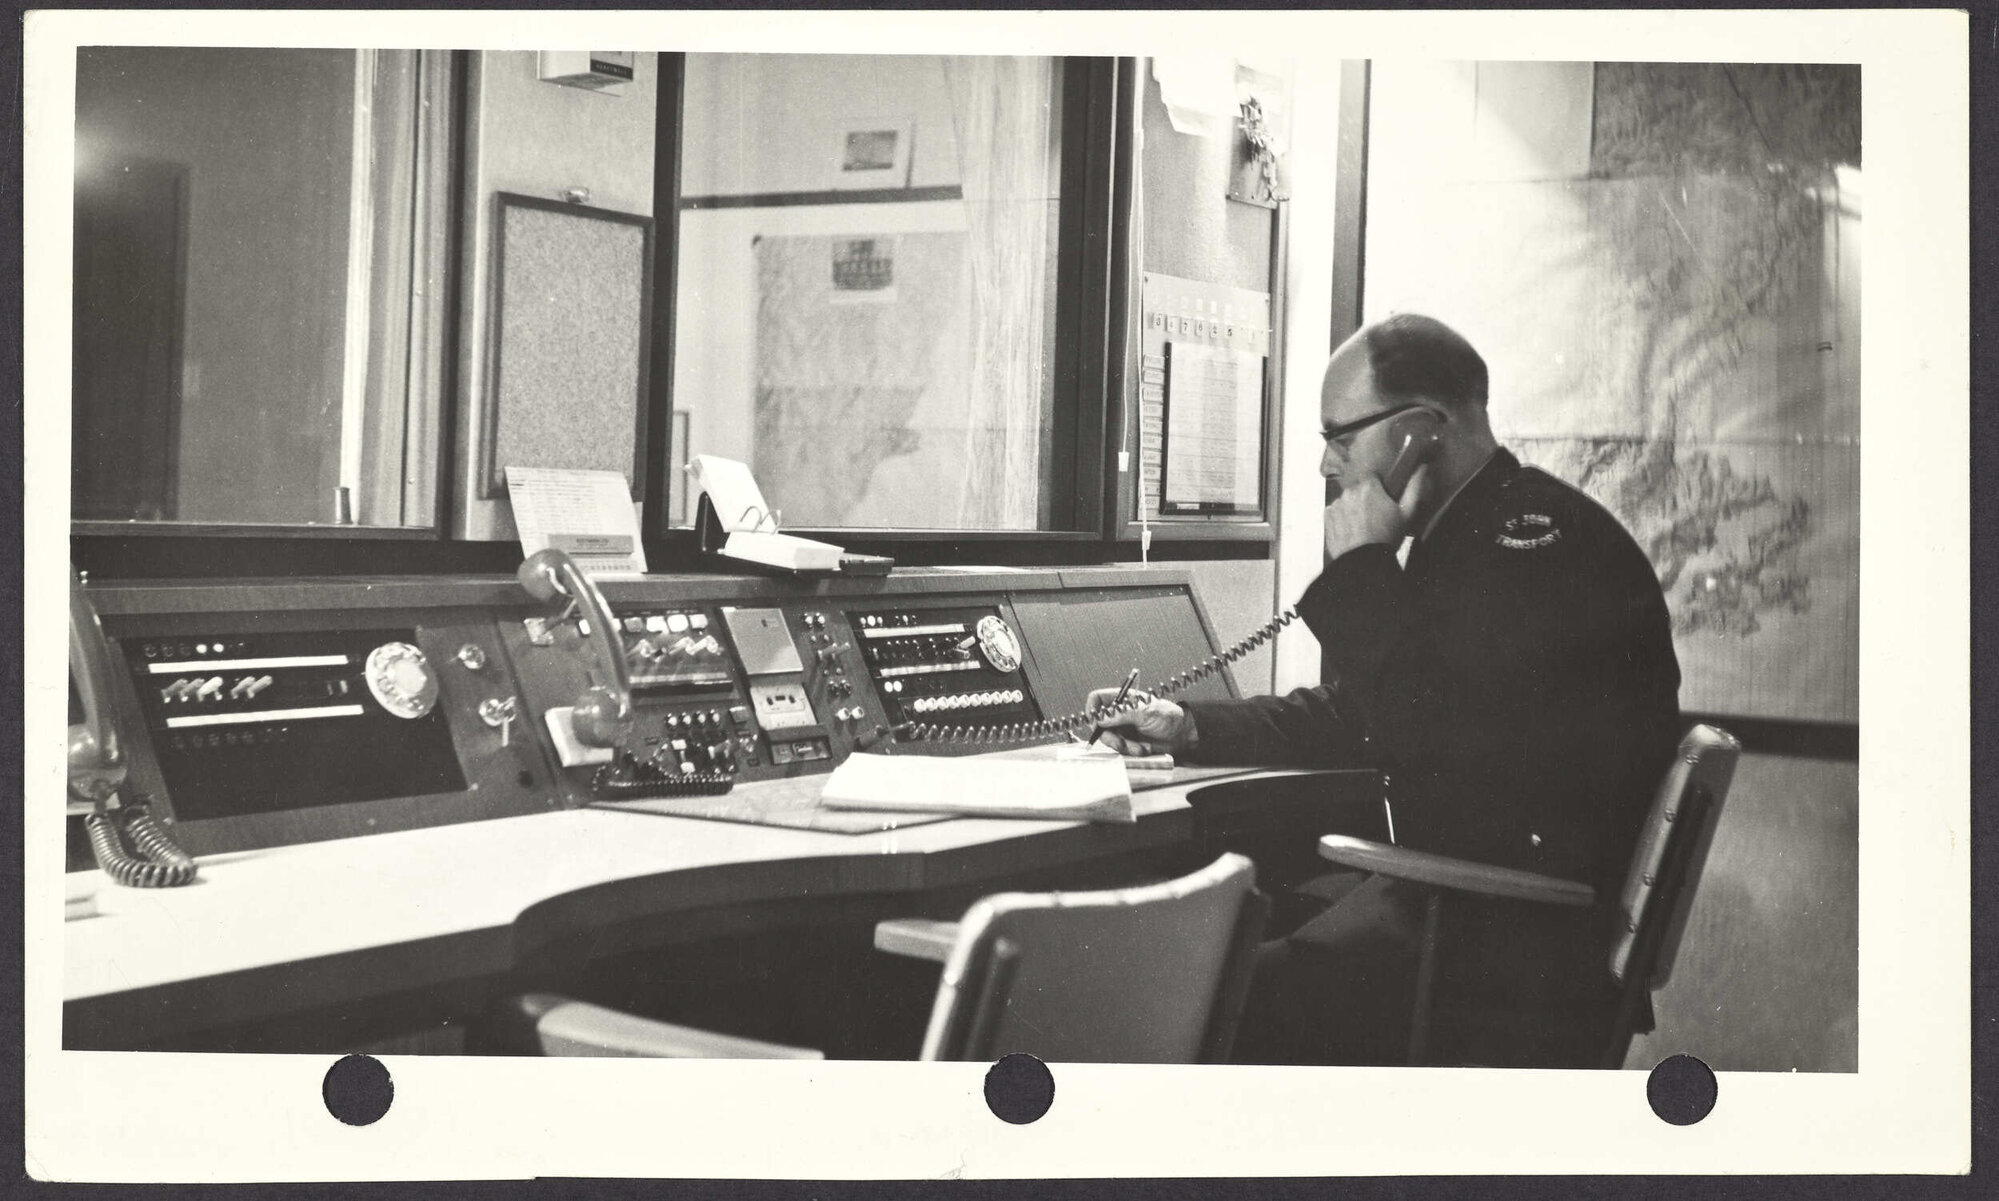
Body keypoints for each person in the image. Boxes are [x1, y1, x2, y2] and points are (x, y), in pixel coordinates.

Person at [1090, 314, 1682, 1066]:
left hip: (1502, 951)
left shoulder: (1530, 548)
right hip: (1493, 919)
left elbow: (1426, 733)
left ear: (1416, 433)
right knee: (1239, 930)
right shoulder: (1487, 533)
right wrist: (1190, 725)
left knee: (1194, 994)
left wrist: (1362, 565)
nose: (1325, 466)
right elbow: (1369, 714)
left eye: (1340, 437)